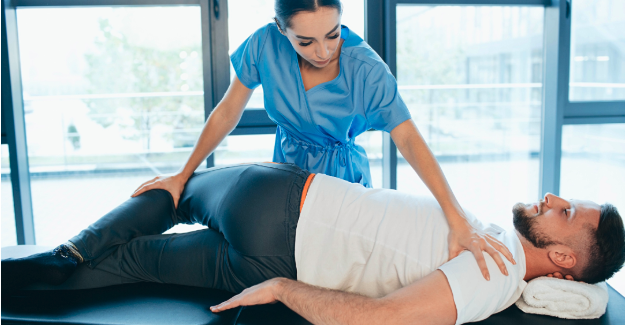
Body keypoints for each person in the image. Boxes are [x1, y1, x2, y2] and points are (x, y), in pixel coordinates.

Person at [129, 0, 513, 280]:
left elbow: (409, 138)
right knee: (264, 244)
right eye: (306, 42)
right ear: (282, 31)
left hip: (340, 179)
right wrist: (182, 174)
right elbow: (227, 113)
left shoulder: (366, 68)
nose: (324, 51)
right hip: (285, 166)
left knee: (328, 267)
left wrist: (455, 215)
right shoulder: (264, 44)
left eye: (332, 35)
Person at [3, 163, 624, 325]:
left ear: (564, 259)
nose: (551, 198)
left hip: (280, 218)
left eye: (566, 212)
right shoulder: (498, 248)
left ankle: (69, 256)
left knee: (175, 192)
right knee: (147, 238)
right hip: (280, 218)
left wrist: (281, 290)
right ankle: (57, 265)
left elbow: (387, 318)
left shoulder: (495, 274)